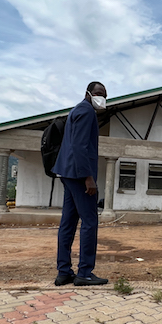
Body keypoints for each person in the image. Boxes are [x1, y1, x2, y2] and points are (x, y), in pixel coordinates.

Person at [53, 81, 109, 287]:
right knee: (90, 221)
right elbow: (80, 146)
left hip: (68, 174)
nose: (101, 97)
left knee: (68, 222)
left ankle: (64, 271)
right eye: (98, 93)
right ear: (88, 93)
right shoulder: (86, 113)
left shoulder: (76, 110)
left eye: (104, 95)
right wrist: (88, 177)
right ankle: (84, 272)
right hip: (79, 175)